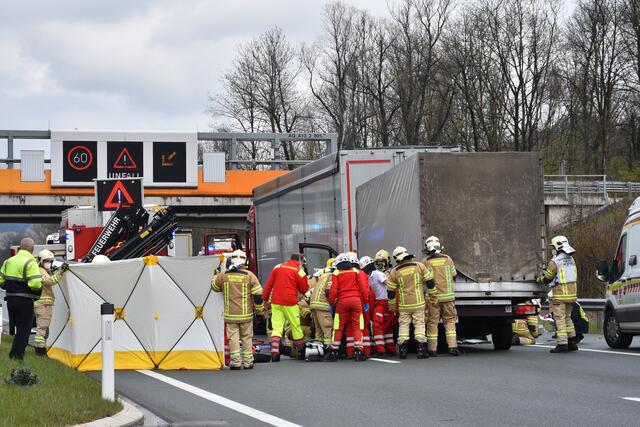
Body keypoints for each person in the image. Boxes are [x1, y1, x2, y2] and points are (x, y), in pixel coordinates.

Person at [212, 250, 263, 370]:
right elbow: (258, 295)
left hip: (230, 315)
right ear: (245, 261)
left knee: (233, 337)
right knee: (246, 337)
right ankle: (247, 362)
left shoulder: (224, 275)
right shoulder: (250, 276)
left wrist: (215, 275)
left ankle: (235, 362)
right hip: (246, 315)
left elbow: (214, 287)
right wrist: (260, 312)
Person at [0, 238, 43, 360]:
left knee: (18, 329)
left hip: (10, 301)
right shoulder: (30, 262)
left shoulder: (8, 261)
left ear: (20, 247)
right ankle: (16, 357)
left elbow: (1, 280)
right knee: (24, 331)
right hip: (24, 302)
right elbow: (35, 284)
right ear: (32, 249)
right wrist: (40, 284)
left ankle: (14, 355)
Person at [387, 246, 433, 359]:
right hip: (418, 303)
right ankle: (421, 350)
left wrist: (392, 306)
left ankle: (402, 351)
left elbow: (391, 291)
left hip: (404, 305)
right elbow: (430, 281)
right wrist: (432, 296)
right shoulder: (419, 266)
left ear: (397, 259)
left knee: (403, 326)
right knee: (419, 325)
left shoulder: (394, 272)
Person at [263, 253, 309, 362]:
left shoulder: (278, 267)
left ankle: (275, 353)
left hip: (276, 302)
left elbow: (268, 285)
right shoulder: (299, 271)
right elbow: (304, 289)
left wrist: (265, 300)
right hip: (290, 302)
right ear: (300, 261)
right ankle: (301, 351)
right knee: (295, 326)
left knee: (277, 328)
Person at [537, 235, 578, 353]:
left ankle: (562, 344)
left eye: (553, 247)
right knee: (568, 318)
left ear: (557, 247)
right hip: (571, 294)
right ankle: (572, 342)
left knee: (559, 318)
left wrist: (540, 280)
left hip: (560, 295)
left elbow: (548, 278)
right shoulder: (571, 259)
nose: (552, 249)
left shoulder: (555, 261)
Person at [327, 253, 370, 361]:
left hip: (342, 302)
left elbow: (333, 290)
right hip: (356, 301)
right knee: (357, 326)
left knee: (338, 327)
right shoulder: (356, 271)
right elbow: (363, 288)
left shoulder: (336, 273)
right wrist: (365, 302)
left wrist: (331, 303)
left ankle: (334, 351)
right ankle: (359, 350)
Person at [423, 236, 460, 356]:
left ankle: (432, 350)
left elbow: (424, 280)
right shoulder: (448, 259)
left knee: (432, 323)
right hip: (448, 297)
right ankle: (453, 347)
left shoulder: (426, 262)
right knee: (449, 322)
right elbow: (454, 275)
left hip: (433, 298)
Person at [34, 250, 67, 356]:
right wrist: (60, 272)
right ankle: (40, 351)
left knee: (44, 327)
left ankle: (41, 348)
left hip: (44, 304)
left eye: (50, 261)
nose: (49, 263)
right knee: (42, 327)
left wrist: (53, 272)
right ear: (41, 261)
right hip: (43, 304)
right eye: (46, 261)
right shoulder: (40, 270)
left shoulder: (43, 270)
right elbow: (49, 282)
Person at [360, 256, 391, 357]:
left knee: (377, 325)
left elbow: (389, 284)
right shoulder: (369, 277)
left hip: (383, 302)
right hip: (378, 302)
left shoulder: (378, 274)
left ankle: (381, 350)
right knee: (383, 326)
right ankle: (389, 348)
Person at [309, 258, 335, 354]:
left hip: (314, 304)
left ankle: (318, 351)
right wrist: (333, 303)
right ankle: (328, 350)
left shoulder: (323, 275)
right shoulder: (331, 275)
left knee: (318, 329)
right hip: (322, 304)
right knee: (327, 327)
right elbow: (329, 291)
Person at [375, 249, 397, 354]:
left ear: (387, 261)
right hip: (381, 302)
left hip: (389, 302)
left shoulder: (392, 272)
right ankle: (390, 348)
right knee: (388, 329)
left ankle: (379, 347)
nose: (380, 264)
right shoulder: (376, 273)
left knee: (384, 326)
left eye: (382, 261)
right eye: (377, 261)